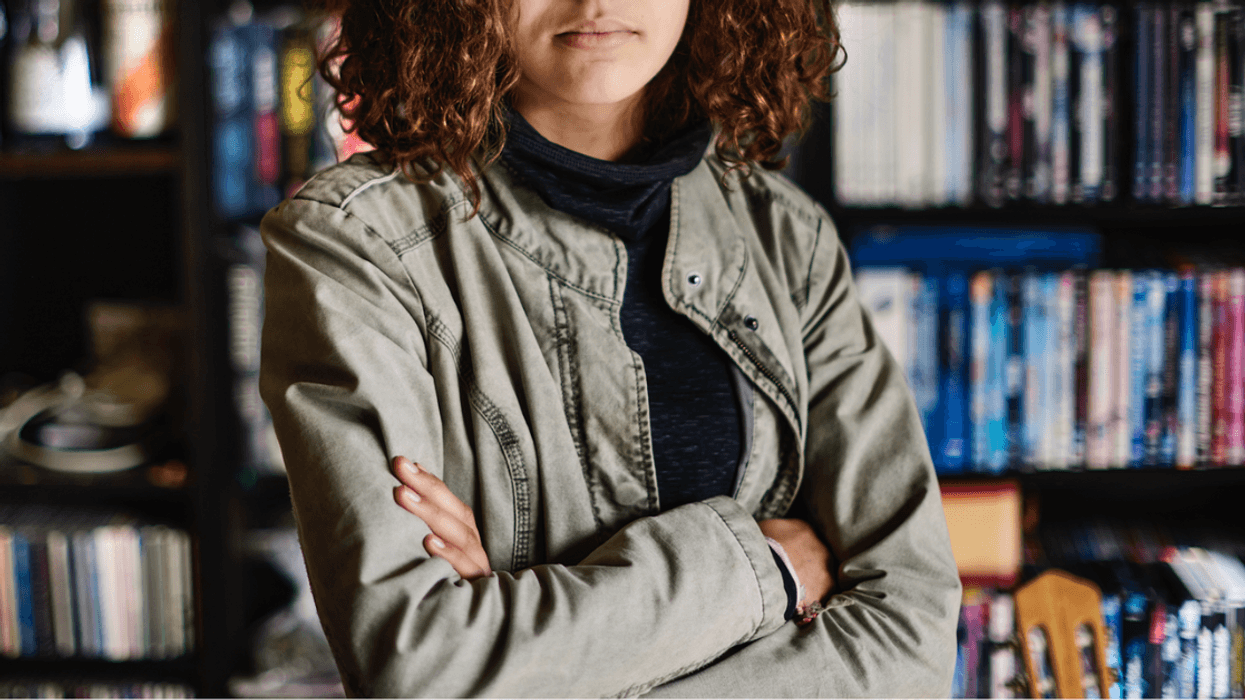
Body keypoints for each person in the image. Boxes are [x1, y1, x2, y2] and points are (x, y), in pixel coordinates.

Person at [258, 0, 962, 696]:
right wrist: (768, 570)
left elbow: (909, 642)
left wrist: (525, 659)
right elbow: (422, 668)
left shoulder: (788, 239)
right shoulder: (357, 243)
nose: (596, 2)